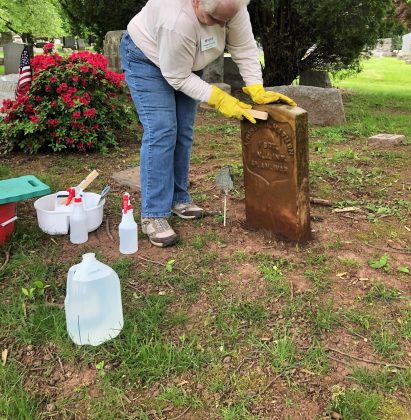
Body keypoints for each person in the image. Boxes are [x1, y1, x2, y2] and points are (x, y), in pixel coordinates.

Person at [120, 0, 296, 248]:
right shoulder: (175, 20)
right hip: (147, 58)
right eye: (213, 20)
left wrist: (256, 87)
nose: (219, 27)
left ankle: (179, 198)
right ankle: (154, 213)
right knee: (162, 129)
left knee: (183, 131)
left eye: (225, 21)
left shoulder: (232, 7)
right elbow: (177, 76)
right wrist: (220, 98)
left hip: (189, 62)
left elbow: (244, 48)